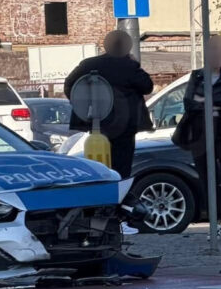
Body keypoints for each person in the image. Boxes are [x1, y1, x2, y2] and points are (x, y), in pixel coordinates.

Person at [173, 35, 221, 233]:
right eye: (211, 50)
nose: (215, 54)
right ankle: (216, 223)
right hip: (200, 136)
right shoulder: (197, 76)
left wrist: (204, 101)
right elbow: (188, 103)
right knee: (207, 180)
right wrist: (212, 104)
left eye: (219, 50)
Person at [64, 29, 154, 181]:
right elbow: (147, 87)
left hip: (96, 125)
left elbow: (70, 86)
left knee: (97, 168)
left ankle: (101, 200)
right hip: (124, 127)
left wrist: (83, 109)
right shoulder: (128, 66)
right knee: (121, 170)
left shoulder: (88, 64)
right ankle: (118, 200)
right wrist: (133, 63)